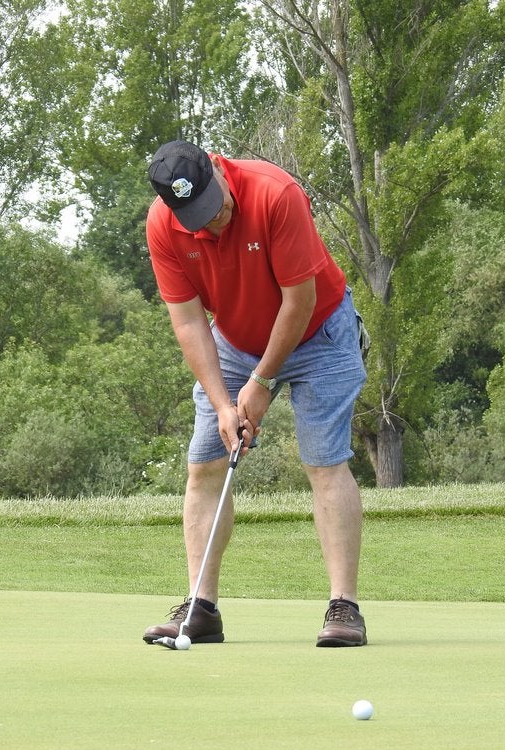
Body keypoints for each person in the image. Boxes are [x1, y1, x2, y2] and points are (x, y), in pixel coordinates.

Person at [142, 139, 369, 648]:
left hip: (319, 332)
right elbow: (188, 321)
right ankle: (201, 608)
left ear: (218, 171)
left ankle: (344, 608)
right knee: (204, 464)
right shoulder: (163, 226)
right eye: (198, 218)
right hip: (234, 341)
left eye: (215, 206)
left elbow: (299, 299)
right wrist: (226, 403)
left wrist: (262, 383)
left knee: (323, 461)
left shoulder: (274, 194)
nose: (214, 222)